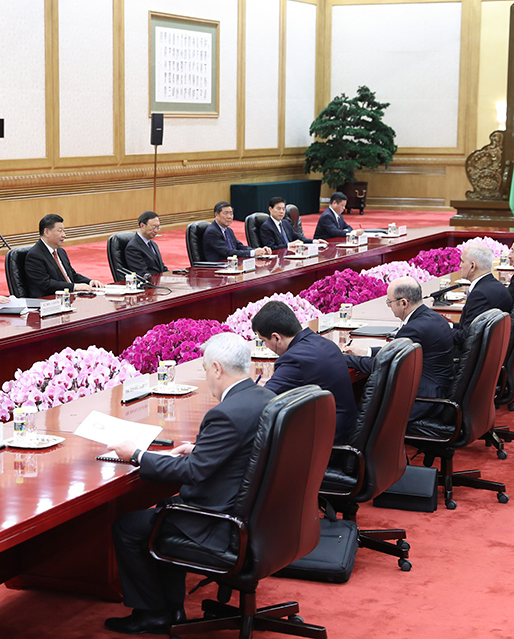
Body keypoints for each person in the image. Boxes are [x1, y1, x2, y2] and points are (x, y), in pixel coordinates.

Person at [105, 333, 276, 635]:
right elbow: (247, 449)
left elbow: (193, 473)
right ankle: (172, 608)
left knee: (128, 527)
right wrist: (201, 449)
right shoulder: (266, 397)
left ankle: (152, 613)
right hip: (262, 516)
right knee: (163, 509)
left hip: (223, 521)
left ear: (217, 369)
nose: (207, 377)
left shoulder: (225, 413)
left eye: (206, 369)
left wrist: (137, 455)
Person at [343, 276, 453, 420]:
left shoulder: (413, 329)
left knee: (363, 414)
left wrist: (345, 358)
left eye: (389, 302)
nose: (389, 306)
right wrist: (365, 352)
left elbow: (384, 366)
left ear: (403, 303)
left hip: (425, 400)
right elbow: (393, 353)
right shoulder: (435, 317)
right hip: (440, 390)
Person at [251, 300, 357, 444]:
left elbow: (263, 402)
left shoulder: (294, 359)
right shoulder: (324, 342)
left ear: (276, 337)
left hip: (326, 445)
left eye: (263, 340)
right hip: (345, 432)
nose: (265, 346)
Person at [24, 214, 104, 298]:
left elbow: (72, 275)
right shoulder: (35, 255)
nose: (64, 235)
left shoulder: (60, 251)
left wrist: (90, 282)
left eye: (64, 231)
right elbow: (45, 284)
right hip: (49, 300)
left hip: (68, 297)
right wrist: (74, 287)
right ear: (47, 232)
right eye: (60, 231)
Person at [452, 242, 513, 349]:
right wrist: (450, 326)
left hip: (474, 355)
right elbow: (471, 327)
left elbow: (466, 337)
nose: (460, 265)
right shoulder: (498, 286)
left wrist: (440, 329)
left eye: (462, 261)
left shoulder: (479, 295)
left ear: (472, 266)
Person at [202, 201, 270, 262]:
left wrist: (258, 250)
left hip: (231, 264)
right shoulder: (212, 232)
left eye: (231, 214)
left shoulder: (228, 230)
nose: (229, 217)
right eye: (225, 213)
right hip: (218, 267)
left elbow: (239, 246)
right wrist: (252, 253)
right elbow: (227, 252)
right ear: (216, 214)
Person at [258, 197, 323, 251]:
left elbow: (298, 237)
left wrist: (314, 241)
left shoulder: (285, 223)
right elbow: (271, 248)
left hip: (291, 253)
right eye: (278, 209)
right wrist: (289, 245)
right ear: (270, 209)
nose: (281, 211)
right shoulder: (266, 227)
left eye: (283, 209)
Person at [124, 211, 168, 276]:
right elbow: (142, 274)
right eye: (153, 227)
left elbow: (161, 268)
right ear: (142, 226)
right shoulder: (133, 247)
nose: (156, 231)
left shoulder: (153, 244)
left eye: (158, 227)